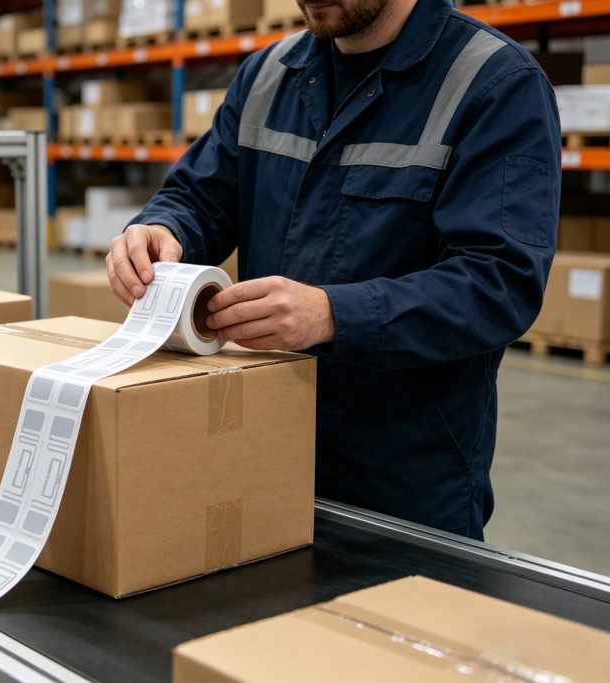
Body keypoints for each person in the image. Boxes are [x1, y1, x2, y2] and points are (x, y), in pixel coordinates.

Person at [106, 0, 560, 540]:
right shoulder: (268, 75)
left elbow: (499, 282)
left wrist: (332, 314)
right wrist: (163, 228)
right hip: (259, 447)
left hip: (402, 481)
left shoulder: (494, 83)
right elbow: (200, 196)